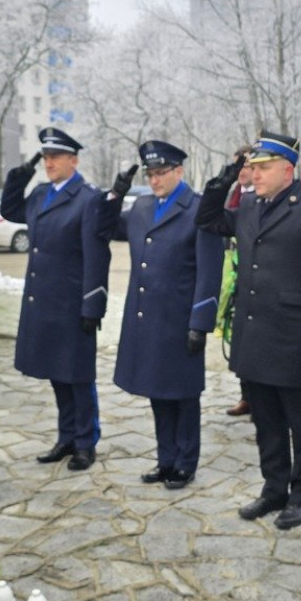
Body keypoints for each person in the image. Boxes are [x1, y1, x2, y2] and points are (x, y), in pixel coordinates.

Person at [196, 130, 301, 531]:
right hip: (254, 331)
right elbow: (208, 218)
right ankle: (273, 488)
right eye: (252, 167)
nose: (255, 175)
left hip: (295, 335)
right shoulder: (248, 205)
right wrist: (228, 173)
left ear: (288, 169)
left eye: (262, 168)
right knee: (265, 420)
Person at [99, 140, 223, 489]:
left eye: (160, 173)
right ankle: (165, 458)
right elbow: (105, 230)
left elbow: (209, 271)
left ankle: (185, 462)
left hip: (180, 319)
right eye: (150, 174)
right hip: (147, 317)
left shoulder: (198, 209)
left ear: (179, 171)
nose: (154, 181)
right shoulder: (141, 207)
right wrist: (114, 196)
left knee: (183, 394)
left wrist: (201, 322)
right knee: (158, 391)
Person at [1, 127, 111, 471]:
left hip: (72, 303)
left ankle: (85, 442)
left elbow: (97, 255)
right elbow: (11, 211)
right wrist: (18, 178)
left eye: (55, 157)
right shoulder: (40, 194)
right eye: (45, 157)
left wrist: (93, 303)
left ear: (73, 161)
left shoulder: (88, 198)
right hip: (44, 302)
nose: (48, 162)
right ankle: (66, 438)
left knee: (78, 376)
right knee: (56, 374)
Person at [219, 145, 256, 418]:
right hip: (233, 274)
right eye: (238, 167)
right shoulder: (234, 194)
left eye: (245, 166)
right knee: (238, 338)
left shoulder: (259, 198)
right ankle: (245, 395)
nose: (241, 172)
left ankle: (259, 398)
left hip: (254, 274)